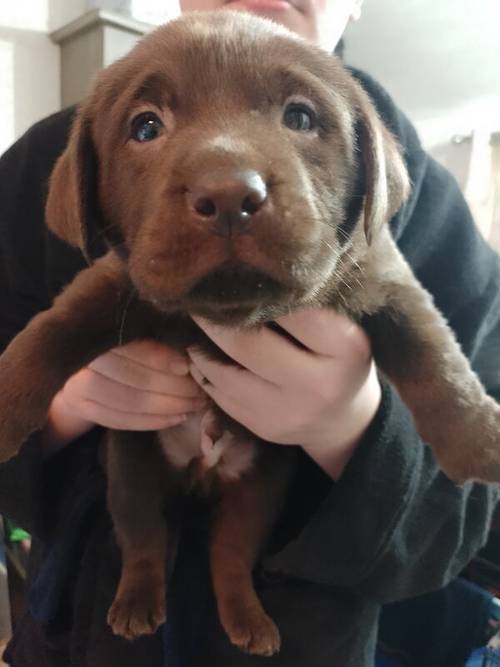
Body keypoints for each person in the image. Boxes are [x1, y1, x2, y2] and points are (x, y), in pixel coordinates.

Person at [0, 1, 499, 665]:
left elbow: (470, 518)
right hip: (79, 639)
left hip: (307, 644)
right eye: (148, 127)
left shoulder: (431, 207)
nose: (226, 182)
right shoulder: (46, 158)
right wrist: (57, 409)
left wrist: (355, 431)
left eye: (300, 115)